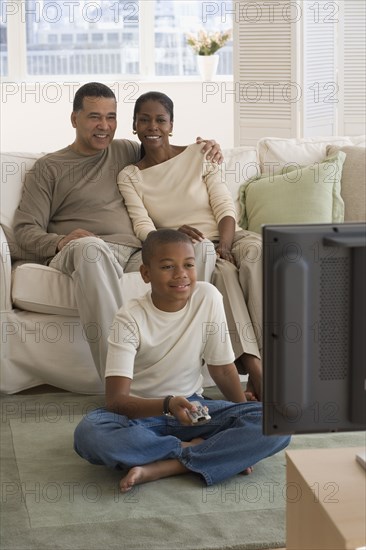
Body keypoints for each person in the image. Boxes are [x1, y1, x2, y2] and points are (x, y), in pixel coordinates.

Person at [13, 82, 223, 380]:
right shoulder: (49, 168)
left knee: (197, 249)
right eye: (94, 117)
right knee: (91, 249)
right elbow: (23, 232)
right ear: (75, 119)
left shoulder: (125, 150)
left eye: (111, 117)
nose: (104, 126)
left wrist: (203, 148)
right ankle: (119, 383)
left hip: (135, 251)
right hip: (82, 252)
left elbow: (163, 146)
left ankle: (180, 373)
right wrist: (61, 241)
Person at [73, 229, 290, 492]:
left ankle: (166, 465)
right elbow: (116, 401)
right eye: (167, 267)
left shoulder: (208, 297)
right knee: (90, 433)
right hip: (143, 416)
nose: (181, 274)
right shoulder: (129, 318)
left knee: (276, 423)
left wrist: (240, 411)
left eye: (188, 265)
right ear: (146, 273)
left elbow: (221, 369)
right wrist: (167, 405)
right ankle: (203, 452)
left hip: (195, 411)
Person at [116, 91, 263, 399]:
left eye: (160, 120)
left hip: (227, 236)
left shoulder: (199, 154)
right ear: (134, 126)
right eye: (144, 120)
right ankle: (256, 372)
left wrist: (225, 245)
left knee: (257, 253)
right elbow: (143, 226)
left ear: (171, 124)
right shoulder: (130, 176)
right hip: (187, 248)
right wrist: (173, 234)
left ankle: (266, 362)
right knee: (220, 273)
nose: (152, 126)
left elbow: (224, 207)